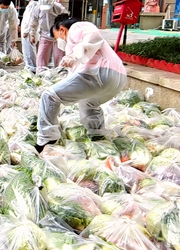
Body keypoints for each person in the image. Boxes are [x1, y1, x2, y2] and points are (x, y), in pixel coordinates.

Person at [36, 18, 127, 152]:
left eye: (58, 38)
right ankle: (98, 136)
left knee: (49, 96)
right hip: (118, 79)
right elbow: (75, 76)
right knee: (88, 103)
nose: (60, 43)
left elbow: (93, 35)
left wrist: (74, 56)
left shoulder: (76, 27)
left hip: (100, 73)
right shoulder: (75, 46)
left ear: (62, 29)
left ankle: (46, 139)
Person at [33, 0, 67, 73]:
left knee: (60, 55)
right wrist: (32, 34)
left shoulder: (58, 8)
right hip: (44, 34)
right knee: (42, 55)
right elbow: (33, 22)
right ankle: (41, 72)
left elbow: (65, 19)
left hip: (58, 35)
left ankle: (61, 72)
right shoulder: (37, 9)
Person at [20, 0, 39, 71]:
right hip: (26, 31)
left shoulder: (33, 5)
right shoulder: (31, 4)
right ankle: (29, 65)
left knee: (29, 50)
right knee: (26, 50)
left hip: (28, 32)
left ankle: (32, 67)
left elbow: (31, 19)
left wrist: (27, 31)